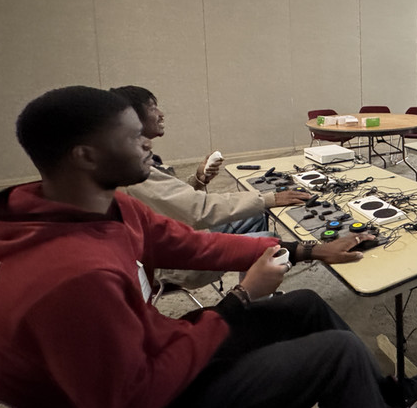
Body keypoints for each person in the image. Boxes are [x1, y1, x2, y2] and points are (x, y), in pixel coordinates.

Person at [0, 86, 417, 408]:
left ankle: (386, 401)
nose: (148, 146)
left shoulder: (109, 208)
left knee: (305, 307)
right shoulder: (72, 277)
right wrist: (238, 300)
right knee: (338, 357)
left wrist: (308, 249)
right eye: (134, 137)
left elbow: (197, 247)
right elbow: (127, 405)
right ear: (85, 155)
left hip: (147, 362)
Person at [109, 84, 308, 289]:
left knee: (253, 214)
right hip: (169, 261)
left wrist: (198, 179)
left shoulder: (134, 162)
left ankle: (252, 290)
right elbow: (198, 210)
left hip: (174, 235)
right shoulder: (133, 171)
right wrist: (269, 199)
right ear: (132, 118)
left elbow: (170, 202)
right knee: (269, 243)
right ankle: (251, 301)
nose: (161, 114)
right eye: (152, 108)